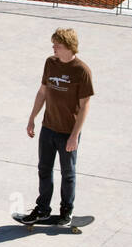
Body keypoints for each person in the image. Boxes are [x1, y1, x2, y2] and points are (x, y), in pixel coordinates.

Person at [22, 27, 94, 227]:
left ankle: (66, 211)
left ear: (69, 47)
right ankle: (43, 208)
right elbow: (43, 92)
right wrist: (32, 118)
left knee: (68, 173)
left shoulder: (82, 71)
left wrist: (74, 136)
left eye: (58, 45)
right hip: (48, 128)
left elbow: (85, 106)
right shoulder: (50, 63)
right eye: (53, 44)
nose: (53, 48)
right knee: (44, 169)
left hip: (67, 133)